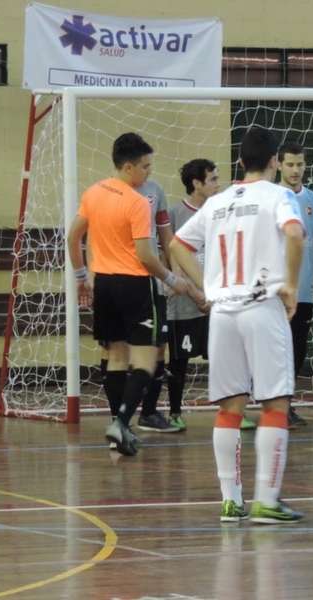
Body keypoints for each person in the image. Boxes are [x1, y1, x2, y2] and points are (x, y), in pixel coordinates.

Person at [169, 127, 306, 523]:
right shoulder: (280, 195)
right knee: (275, 402)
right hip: (263, 305)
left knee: (230, 406)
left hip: (223, 313)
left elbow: (177, 245)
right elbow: (295, 234)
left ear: (241, 162)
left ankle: (231, 500)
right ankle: (267, 499)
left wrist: (207, 286)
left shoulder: (218, 201)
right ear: (275, 161)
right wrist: (292, 286)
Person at [67, 132, 188, 456]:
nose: (149, 173)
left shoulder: (94, 192)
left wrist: (81, 277)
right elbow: (147, 256)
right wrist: (173, 279)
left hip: (103, 283)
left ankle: (118, 424)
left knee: (116, 356)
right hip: (136, 285)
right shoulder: (137, 202)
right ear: (130, 167)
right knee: (146, 361)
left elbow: (73, 237)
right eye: (146, 167)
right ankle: (122, 423)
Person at [164, 159, 257, 432]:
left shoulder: (224, 211)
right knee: (179, 361)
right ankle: (174, 413)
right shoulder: (174, 214)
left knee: (229, 358)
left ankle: (235, 412)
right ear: (197, 184)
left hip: (219, 300)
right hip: (186, 300)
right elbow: (174, 257)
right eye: (213, 179)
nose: (218, 184)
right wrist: (196, 292)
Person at [277, 142, 313, 429]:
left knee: (297, 350)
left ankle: (284, 407)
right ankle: (261, 405)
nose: (295, 169)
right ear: (278, 165)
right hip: (275, 291)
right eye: (289, 164)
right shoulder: (271, 198)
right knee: (272, 349)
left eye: (299, 164)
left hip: (304, 290)